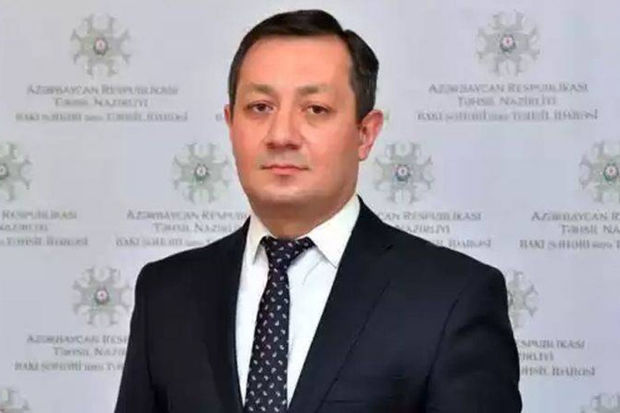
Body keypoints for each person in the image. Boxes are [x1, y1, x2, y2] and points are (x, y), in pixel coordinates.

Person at [114, 9, 521, 413]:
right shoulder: (166, 294)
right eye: (260, 107)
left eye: (315, 110)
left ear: (365, 134)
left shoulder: (451, 298)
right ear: (230, 124)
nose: (281, 135)